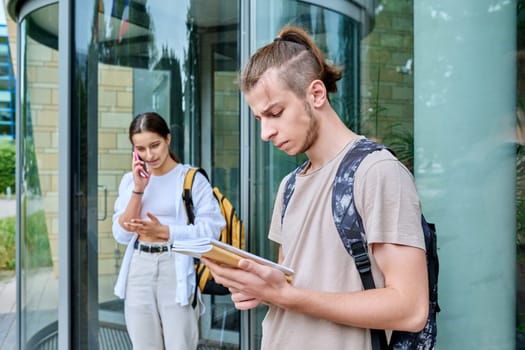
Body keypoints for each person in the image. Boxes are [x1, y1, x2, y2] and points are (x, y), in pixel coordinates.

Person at [203, 26, 429, 349]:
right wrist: (261, 288)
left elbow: (410, 308)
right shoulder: (289, 186)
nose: (265, 132)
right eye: (259, 119)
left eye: (275, 113)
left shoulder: (376, 172)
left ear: (317, 94)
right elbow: (293, 286)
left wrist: (286, 296)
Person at [112, 112, 225, 349]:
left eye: (155, 145)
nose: (149, 155)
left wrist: (165, 231)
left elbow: (212, 230)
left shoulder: (191, 179)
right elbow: (121, 235)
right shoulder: (130, 181)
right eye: (140, 149)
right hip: (139, 266)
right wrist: (138, 189)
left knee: (180, 343)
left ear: (168, 139)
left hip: (176, 264)